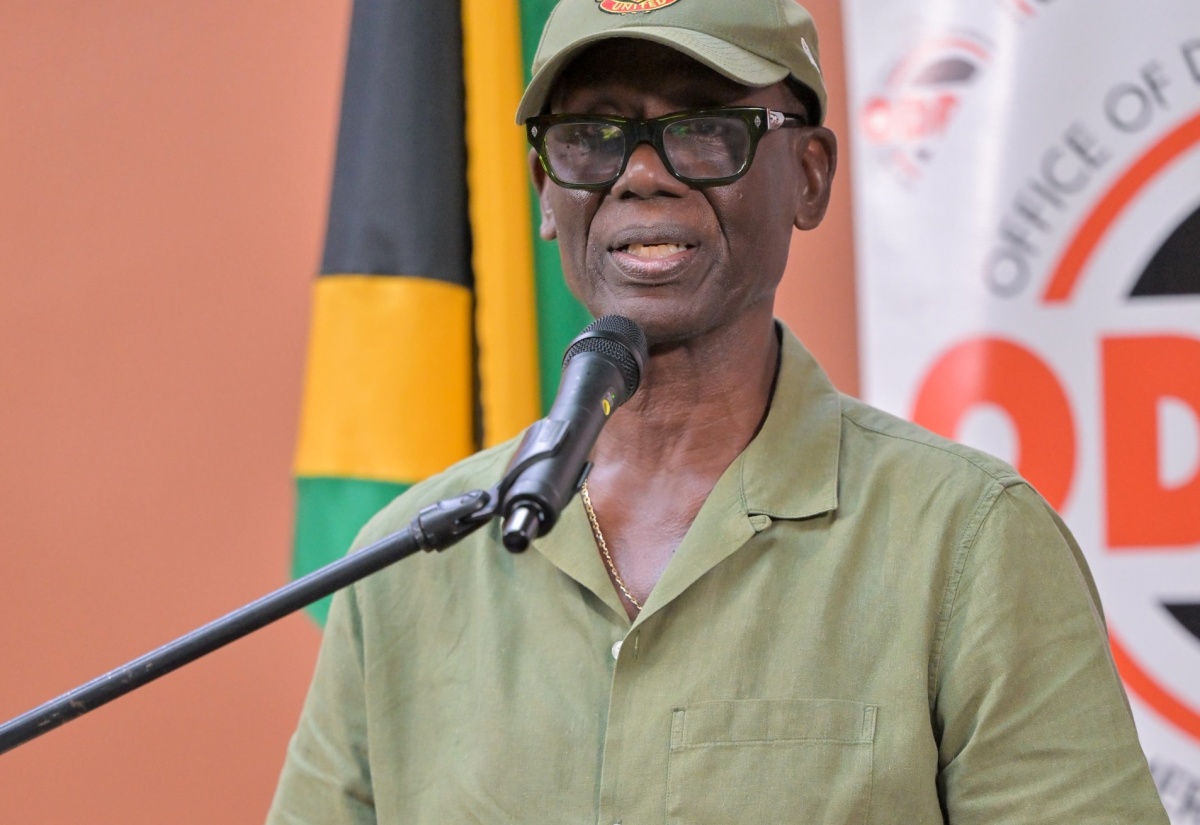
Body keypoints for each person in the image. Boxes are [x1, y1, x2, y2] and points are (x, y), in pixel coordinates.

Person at [267, 1, 1169, 822]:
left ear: (810, 175)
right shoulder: (406, 565)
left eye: (702, 129)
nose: (640, 175)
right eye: (592, 136)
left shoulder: (968, 540)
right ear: (545, 188)